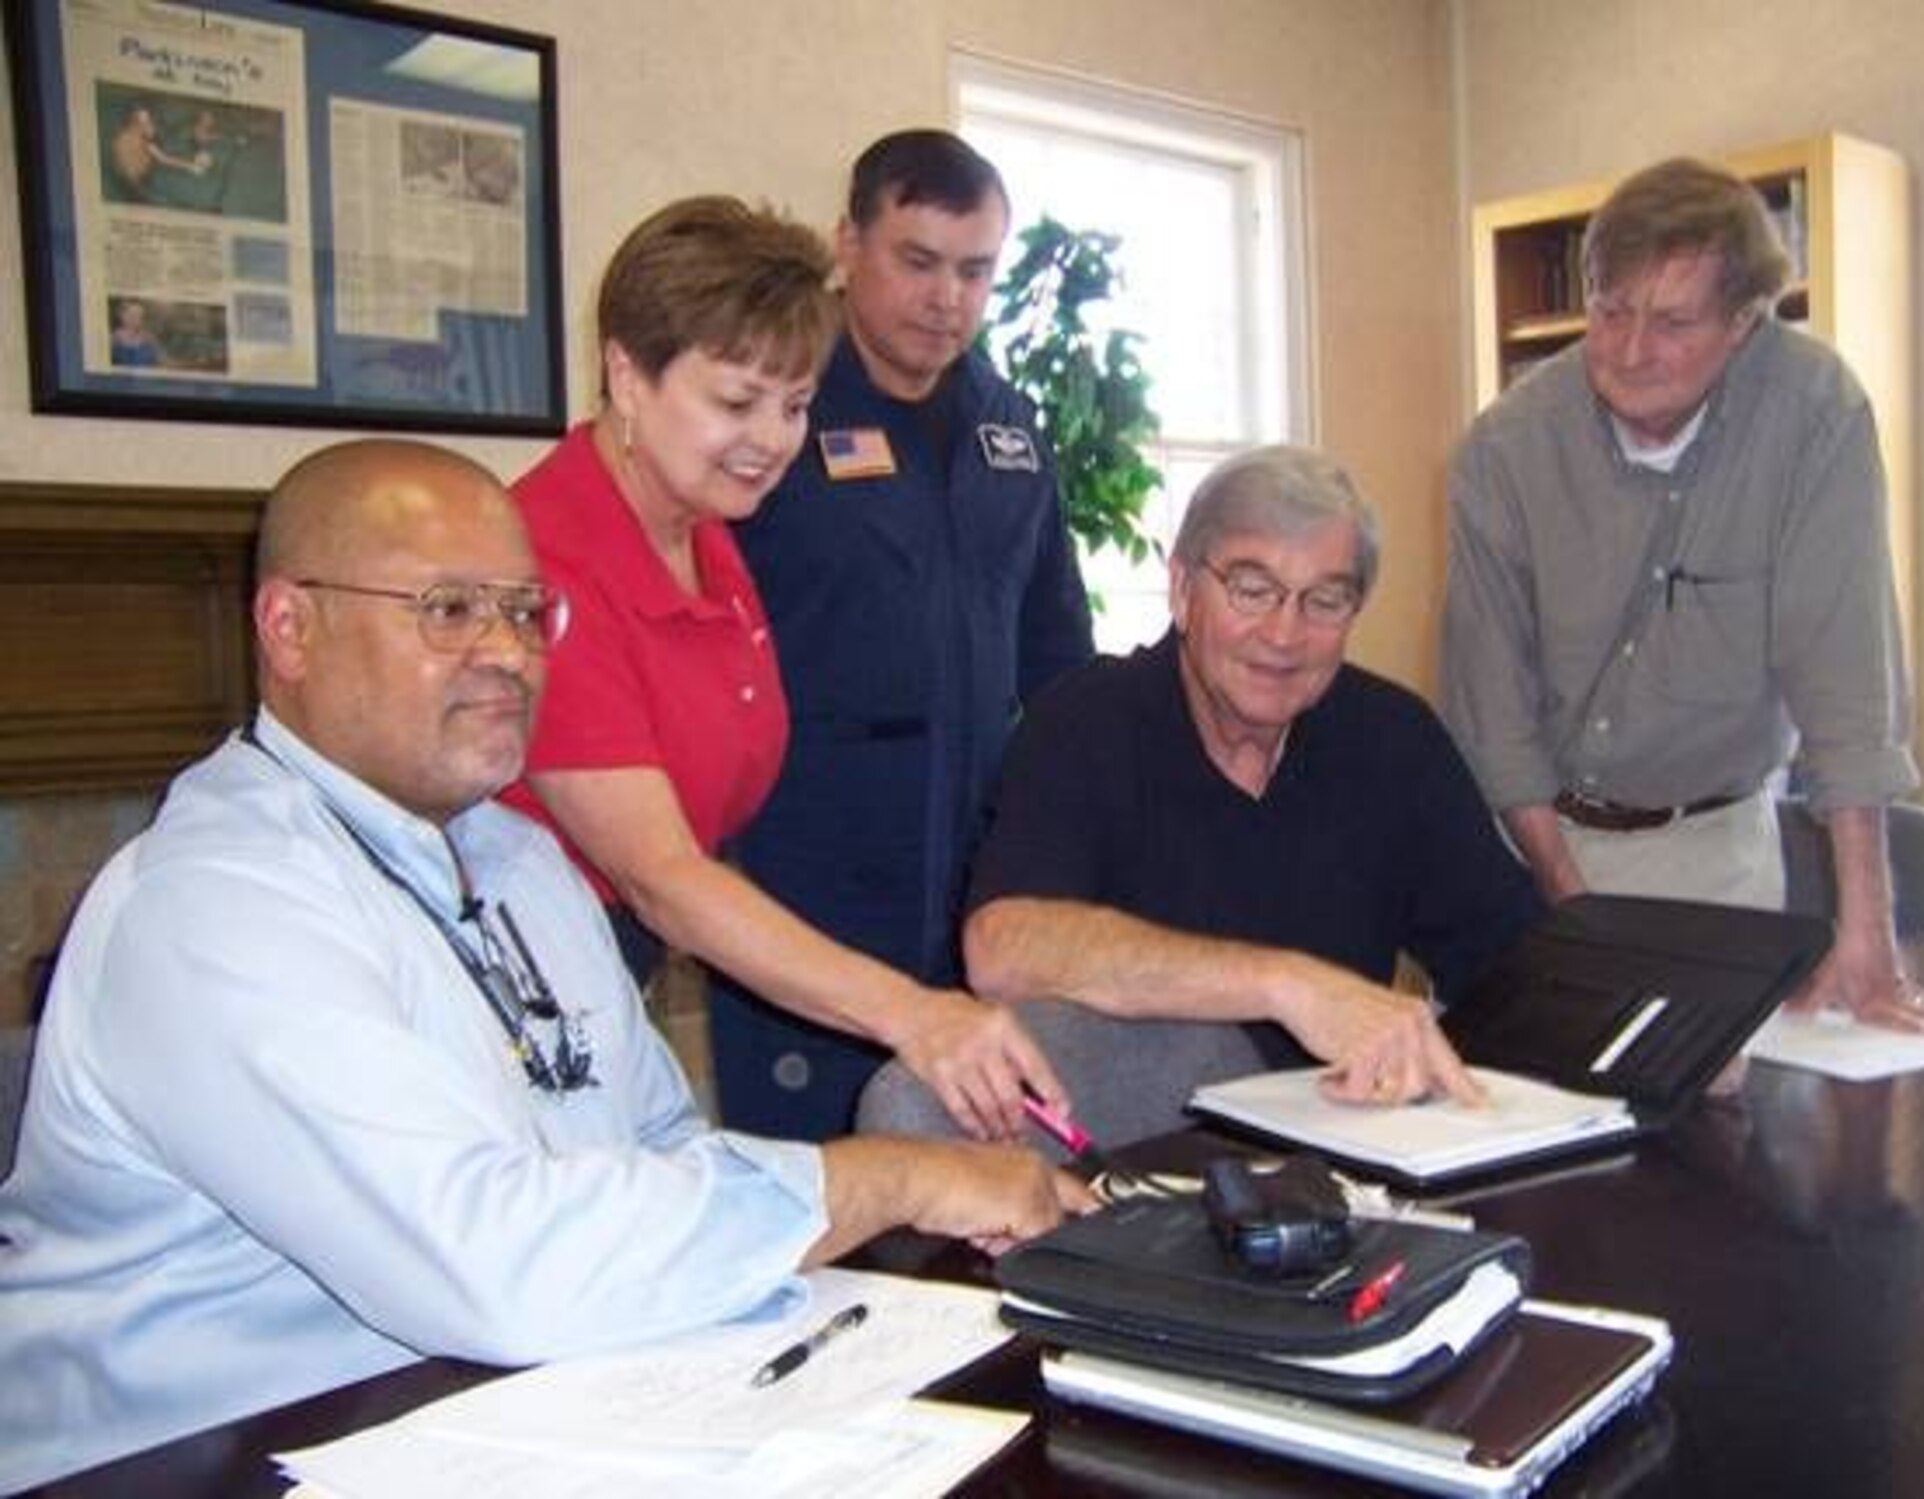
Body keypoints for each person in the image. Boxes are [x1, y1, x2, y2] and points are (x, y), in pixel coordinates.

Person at [0, 439, 1093, 1491]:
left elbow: (656, 1143)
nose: (508, 651)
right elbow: (498, 1259)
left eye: (526, 611)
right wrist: (894, 1173)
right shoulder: (215, 904)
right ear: (290, 626)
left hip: (500, 1412)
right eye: (448, 608)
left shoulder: (517, 860)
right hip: (193, 1457)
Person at [499, 196, 1066, 1145]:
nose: (770, 439)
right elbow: (663, 876)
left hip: (603, 969)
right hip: (501, 991)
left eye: (795, 404)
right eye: (733, 401)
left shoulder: (710, 530)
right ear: (626, 376)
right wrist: (914, 1013)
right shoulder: (545, 560)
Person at [1440, 156, 1924, 1035]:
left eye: (1672, 322)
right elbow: (1490, 707)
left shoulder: (1814, 415)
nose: (1627, 351)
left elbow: (1846, 678)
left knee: (1722, 1132)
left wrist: (1867, 931)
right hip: (1526, 842)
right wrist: (1569, 904)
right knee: (1524, 1116)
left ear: (1744, 322)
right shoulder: (1507, 449)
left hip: (1713, 847)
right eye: (1610, 311)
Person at [962, 445, 1543, 1107]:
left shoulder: (1393, 738)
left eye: (1325, 600)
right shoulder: (1086, 722)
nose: (1284, 633)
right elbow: (1001, 947)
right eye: (1252, 589)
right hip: (1139, 1146)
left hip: (1346, 1139)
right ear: (1183, 589)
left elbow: (1513, 962)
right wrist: (1283, 984)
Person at [720, 129, 1095, 1138]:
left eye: (975, 271)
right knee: (811, 1180)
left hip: (974, 883)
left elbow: (1060, 666)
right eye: (917, 261)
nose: (946, 300)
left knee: (968, 1171)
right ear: (848, 244)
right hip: (801, 880)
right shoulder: (769, 416)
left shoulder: (1007, 428)